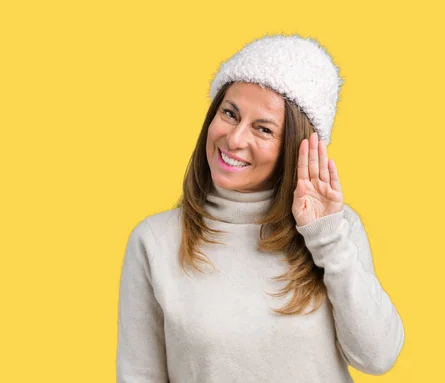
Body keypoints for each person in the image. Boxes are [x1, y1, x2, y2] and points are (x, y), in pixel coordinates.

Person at [116, 34, 404, 383]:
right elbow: (138, 375)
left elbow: (378, 357)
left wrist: (327, 239)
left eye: (263, 129)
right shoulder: (154, 241)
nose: (235, 139)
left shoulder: (334, 229)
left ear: (297, 147)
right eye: (229, 113)